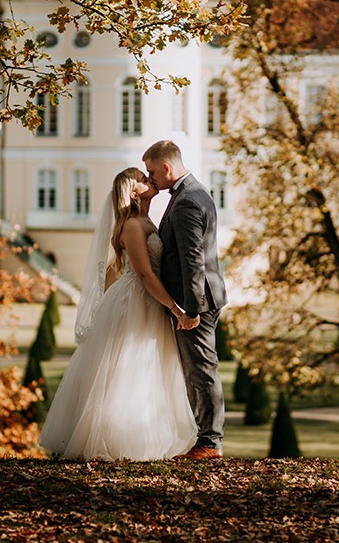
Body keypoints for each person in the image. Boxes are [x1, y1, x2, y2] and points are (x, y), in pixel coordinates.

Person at [38, 167, 198, 461]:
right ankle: (114, 441)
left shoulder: (146, 219)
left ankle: (145, 435)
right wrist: (177, 310)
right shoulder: (133, 226)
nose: (149, 179)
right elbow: (145, 275)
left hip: (148, 302)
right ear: (133, 191)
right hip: (135, 301)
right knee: (127, 367)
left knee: (148, 367)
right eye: (143, 177)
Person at [143, 140, 228, 460]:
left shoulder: (188, 201)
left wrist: (190, 310)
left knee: (201, 371)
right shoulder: (195, 192)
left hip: (198, 301)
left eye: (152, 172)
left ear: (167, 167)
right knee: (197, 369)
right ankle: (203, 438)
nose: (150, 178)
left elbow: (194, 259)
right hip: (202, 296)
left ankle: (210, 442)